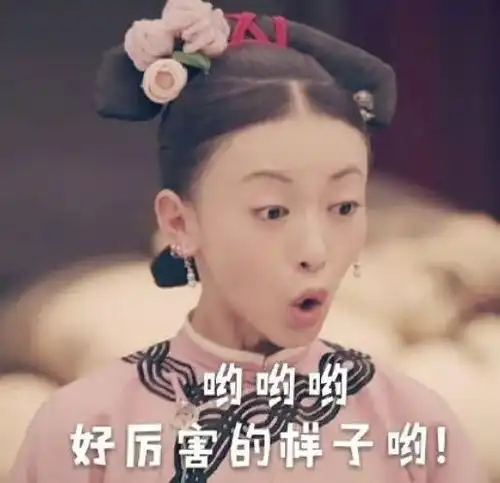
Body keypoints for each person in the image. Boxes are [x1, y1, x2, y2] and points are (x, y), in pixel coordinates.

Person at [9, 1, 487, 482]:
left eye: (343, 207)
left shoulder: (413, 424)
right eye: (273, 211)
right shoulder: (85, 429)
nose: (315, 251)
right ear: (179, 223)